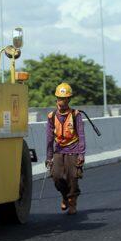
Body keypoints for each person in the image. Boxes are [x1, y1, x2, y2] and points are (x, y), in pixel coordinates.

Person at [45, 83, 86, 215]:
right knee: (56, 176)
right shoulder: (51, 116)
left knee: (72, 177)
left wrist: (81, 154)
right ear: (56, 99)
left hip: (73, 149)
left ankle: (72, 201)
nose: (61, 101)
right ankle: (65, 196)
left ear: (69, 99)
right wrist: (49, 157)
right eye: (59, 98)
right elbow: (49, 138)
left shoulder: (76, 115)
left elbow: (81, 135)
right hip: (59, 150)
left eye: (64, 98)